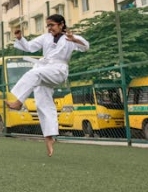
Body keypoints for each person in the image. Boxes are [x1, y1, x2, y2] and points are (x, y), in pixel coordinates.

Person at [6, 14, 89, 157]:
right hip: (45, 69)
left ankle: (19, 102)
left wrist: (75, 39)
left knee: (33, 74)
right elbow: (29, 47)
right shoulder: (45, 37)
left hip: (58, 71)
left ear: (61, 24)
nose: (49, 28)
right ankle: (49, 137)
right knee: (43, 102)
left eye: (52, 25)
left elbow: (86, 47)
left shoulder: (69, 38)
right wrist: (20, 38)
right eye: (48, 25)